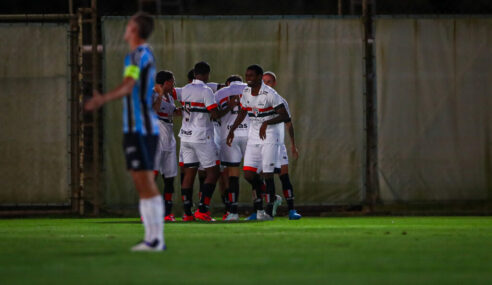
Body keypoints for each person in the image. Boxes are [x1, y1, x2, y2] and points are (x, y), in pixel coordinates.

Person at [85, 13, 165, 251]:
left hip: (142, 128)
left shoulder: (139, 55)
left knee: (145, 181)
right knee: (140, 182)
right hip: (134, 128)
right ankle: (151, 238)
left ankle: (155, 239)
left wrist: (102, 99)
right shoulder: (136, 56)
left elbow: (129, 86)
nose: (126, 27)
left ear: (135, 30)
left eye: (129, 24)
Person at [227, 64, 289, 221]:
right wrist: (232, 129)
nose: (248, 78)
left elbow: (284, 115)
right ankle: (271, 197)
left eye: (251, 76)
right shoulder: (246, 91)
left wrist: (267, 123)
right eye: (247, 75)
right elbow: (242, 111)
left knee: (267, 174)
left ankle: (266, 211)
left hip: (269, 135)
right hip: (254, 135)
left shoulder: (270, 94)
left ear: (260, 77)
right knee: (248, 174)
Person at [179, 61, 220, 222]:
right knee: (213, 172)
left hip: (185, 136)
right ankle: (202, 209)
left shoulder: (186, 89)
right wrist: (228, 107)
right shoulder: (206, 90)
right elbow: (214, 114)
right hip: (201, 136)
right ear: (207, 74)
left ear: (194, 74)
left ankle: (187, 213)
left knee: (189, 173)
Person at [262, 71, 302, 220]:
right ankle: (267, 207)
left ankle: (292, 210)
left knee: (284, 177)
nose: (266, 84)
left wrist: (293, 145)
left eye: (269, 81)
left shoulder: (280, 101)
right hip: (261, 145)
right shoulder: (255, 99)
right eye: (264, 81)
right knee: (264, 177)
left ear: (274, 83)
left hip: (278, 145)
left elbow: (289, 123)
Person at [214, 75, 248, 221]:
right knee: (254, 172)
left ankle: (231, 210)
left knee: (229, 175)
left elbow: (214, 115)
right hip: (249, 134)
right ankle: (261, 209)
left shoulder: (219, 93)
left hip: (226, 137)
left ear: (227, 83)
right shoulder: (250, 89)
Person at [152, 70, 180, 222]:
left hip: (168, 135)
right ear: (165, 82)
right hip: (156, 134)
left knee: (169, 176)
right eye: (172, 81)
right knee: (153, 174)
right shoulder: (152, 92)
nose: (174, 84)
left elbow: (171, 111)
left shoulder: (169, 96)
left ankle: (167, 212)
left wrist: (180, 111)